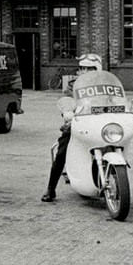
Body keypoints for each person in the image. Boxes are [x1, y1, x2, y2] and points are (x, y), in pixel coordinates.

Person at [42, 52, 102, 202]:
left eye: (91, 69)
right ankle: (51, 188)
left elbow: (116, 99)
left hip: (100, 123)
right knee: (62, 150)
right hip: (79, 123)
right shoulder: (73, 85)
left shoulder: (105, 85)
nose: (86, 72)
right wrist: (67, 111)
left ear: (98, 69)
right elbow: (67, 99)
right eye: (83, 68)